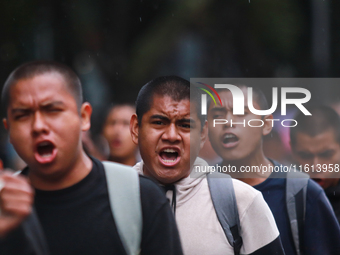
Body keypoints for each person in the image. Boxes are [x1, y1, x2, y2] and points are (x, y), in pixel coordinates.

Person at [0, 61, 183, 255]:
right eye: (23, 115)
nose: (38, 126)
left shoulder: (141, 198)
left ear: (84, 117)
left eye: (52, 110)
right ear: (9, 129)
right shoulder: (4, 206)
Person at [130, 76, 285, 255]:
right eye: (159, 123)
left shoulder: (242, 201)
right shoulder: (111, 196)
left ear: (203, 133)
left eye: (185, 125)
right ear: (136, 128)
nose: (171, 135)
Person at [207, 85, 340, 255]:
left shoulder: (303, 193)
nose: (228, 122)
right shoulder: (193, 192)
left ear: (266, 124)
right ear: (205, 130)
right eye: (217, 116)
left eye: (241, 114)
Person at [290, 105, 340, 222]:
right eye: (305, 156)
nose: (316, 166)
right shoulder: (284, 198)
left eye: (326, 154)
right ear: (292, 150)